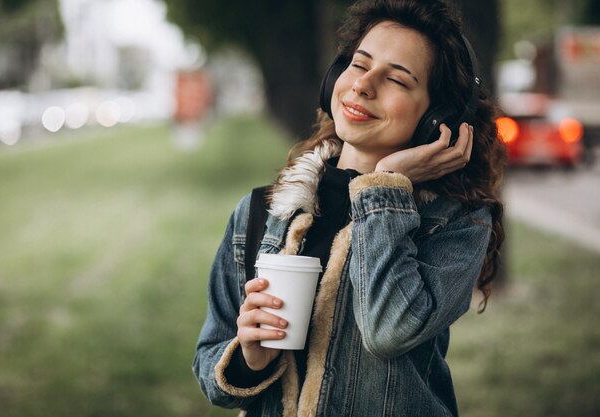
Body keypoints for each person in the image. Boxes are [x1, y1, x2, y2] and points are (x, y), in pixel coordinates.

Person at [193, 0, 507, 415]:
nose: (363, 85)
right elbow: (209, 360)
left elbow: (388, 332)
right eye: (359, 65)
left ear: (436, 118)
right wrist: (249, 359)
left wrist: (385, 184)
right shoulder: (260, 211)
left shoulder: (455, 223)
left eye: (397, 79)